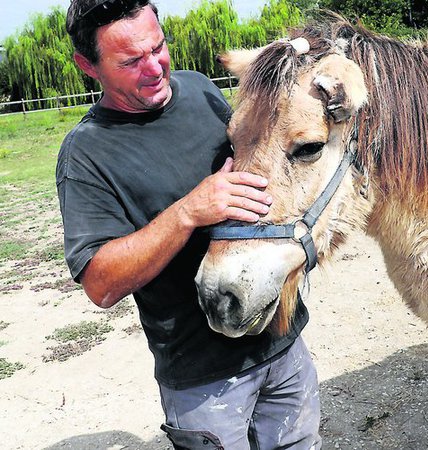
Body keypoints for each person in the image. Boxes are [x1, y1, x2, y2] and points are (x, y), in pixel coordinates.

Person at [58, 1, 321, 449]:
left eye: (158, 47)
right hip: (203, 380)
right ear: (88, 65)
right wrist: (187, 212)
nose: (154, 67)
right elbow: (100, 284)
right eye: (130, 61)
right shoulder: (86, 155)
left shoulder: (199, 88)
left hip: (283, 344)